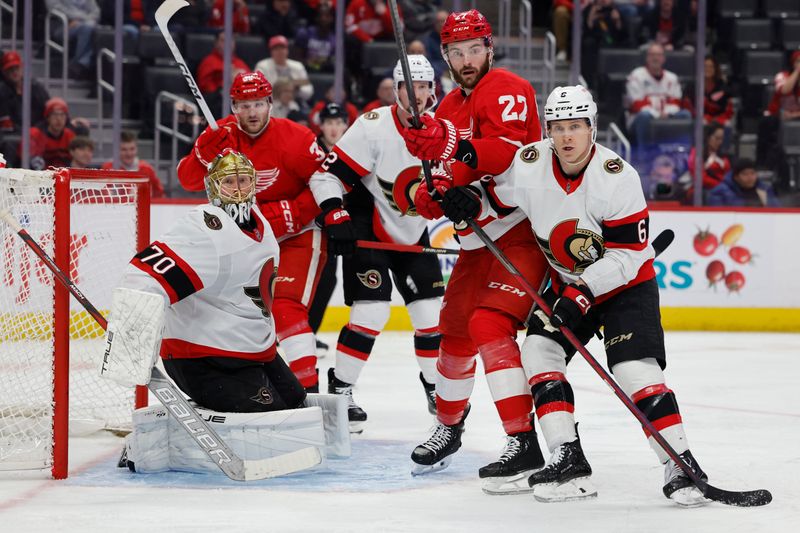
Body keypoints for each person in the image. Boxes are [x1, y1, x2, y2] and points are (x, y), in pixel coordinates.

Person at [490, 85, 709, 506]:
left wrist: (584, 290)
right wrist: (469, 201)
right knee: (537, 351)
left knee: (634, 372)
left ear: (592, 128)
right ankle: (567, 458)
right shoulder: (530, 163)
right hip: (567, 281)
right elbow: (496, 202)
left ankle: (679, 464)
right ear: (547, 130)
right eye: (558, 127)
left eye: (575, 126)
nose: (567, 137)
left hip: (625, 286)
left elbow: (627, 257)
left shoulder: (618, 176)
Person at [399, 9, 550, 491]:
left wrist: (447, 145)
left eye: (473, 50)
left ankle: (522, 441)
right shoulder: (447, 106)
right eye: (456, 53)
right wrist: (430, 193)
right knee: (454, 334)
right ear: (446, 56)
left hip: (521, 231)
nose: (466, 60)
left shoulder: (504, 86)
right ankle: (448, 425)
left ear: (490, 48)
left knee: (490, 324)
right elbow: (443, 181)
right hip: (477, 243)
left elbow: (505, 151)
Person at [310, 56, 445, 432]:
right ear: (396, 90)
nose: (418, 95)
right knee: (371, 312)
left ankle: (435, 386)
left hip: (412, 230)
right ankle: (341, 390)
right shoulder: (372, 127)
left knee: (431, 315)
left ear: (432, 89)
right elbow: (326, 177)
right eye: (410, 87)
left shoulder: (442, 130)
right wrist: (335, 214)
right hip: (368, 230)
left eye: (423, 86)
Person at [115, 149, 306, 413]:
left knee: (297, 403)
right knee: (272, 419)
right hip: (204, 357)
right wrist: (131, 338)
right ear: (212, 187)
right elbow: (143, 276)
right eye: (228, 182)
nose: (237, 189)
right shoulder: (204, 229)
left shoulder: (259, 218)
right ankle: (153, 441)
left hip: (253, 350)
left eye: (243, 180)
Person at [177, 71, 328, 393]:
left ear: (271, 104)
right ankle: (261, 386)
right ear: (233, 106)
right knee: (243, 315)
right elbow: (187, 181)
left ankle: (311, 394)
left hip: (295, 237)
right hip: (245, 241)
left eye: (258, 103)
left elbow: (326, 183)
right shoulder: (219, 134)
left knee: (286, 309)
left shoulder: (297, 138)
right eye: (244, 105)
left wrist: (292, 214)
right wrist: (201, 154)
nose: (252, 112)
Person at [307, 102, 350, 356]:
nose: (334, 128)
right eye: (329, 123)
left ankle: (309, 333)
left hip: (339, 226)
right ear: (321, 125)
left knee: (328, 279)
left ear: (345, 125)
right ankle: (296, 332)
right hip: (315, 223)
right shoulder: (313, 151)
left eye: (338, 123)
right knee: (310, 279)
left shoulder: (353, 149)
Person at [625, 42, 691, 152]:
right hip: (640, 119)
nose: (655, 58)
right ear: (647, 58)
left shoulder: (672, 78)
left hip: (667, 117)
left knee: (685, 115)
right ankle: (643, 156)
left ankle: (684, 155)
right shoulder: (636, 76)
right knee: (644, 116)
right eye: (652, 55)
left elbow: (676, 103)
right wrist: (658, 114)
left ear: (663, 58)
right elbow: (637, 105)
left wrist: (666, 114)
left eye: (659, 55)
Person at [196, 32, 250, 117]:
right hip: (218, 104)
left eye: (231, 40)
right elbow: (206, 88)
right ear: (216, 43)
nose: (228, 43)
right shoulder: (208, 62)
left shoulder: (241, 63)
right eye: (223, 40)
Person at [101, 130, 165, 198]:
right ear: (117, 150)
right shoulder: (107, 168)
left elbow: (160, 195)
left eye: (132, 149)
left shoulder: (147, 169)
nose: (128, 154)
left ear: (136, 149)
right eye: (124, 149)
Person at [45, 0, 100, 79]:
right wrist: (80, 18)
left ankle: (80, 63)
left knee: (98, 32)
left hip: (85, 22)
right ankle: (77, 64)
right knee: (88, 28)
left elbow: (96, 12)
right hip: (63, 24)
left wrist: (83, 20)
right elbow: (54, 8)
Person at [0, 51, 51, 133]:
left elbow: (49, 111)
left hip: (38, 133)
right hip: (13, 137)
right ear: (4, 72)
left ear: (21, 67)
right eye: (10, 69)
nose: (14, 72)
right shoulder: (2, 92)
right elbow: (6, 124)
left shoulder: (36, 88)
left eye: (16, 68)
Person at [255, 35, 314, 104]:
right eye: (276, 49)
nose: (280, 51)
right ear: (271, 52)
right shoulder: (262, 66)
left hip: (295, 103)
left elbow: (309, 91)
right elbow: (258, 89)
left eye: (282, 48)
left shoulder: (298, 66)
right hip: (271, 103)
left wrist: (297, 89)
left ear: (287, 50)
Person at [24, 97, 76, 170]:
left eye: (62, 115)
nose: (59, 119)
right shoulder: (36, 134)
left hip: (64, 175)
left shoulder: (70, 135)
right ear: (48, 117)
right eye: (55, 115)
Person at [686, 121, 730, 203]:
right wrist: (721, 185)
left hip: (723, 188)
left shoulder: (722, 155)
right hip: (703, 190)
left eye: (721, 139)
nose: (720, 142)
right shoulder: (697, 153)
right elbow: (700, 178)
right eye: (717, 138)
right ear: (707, 137)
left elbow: (728, 174)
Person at [707, 158, 780, 207]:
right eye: (745, 174)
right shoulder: (720, 192)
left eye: (752, 173)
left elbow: (776, 212)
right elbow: (718, 216)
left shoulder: (765, 189)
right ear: (736, 177)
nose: (750, 177)